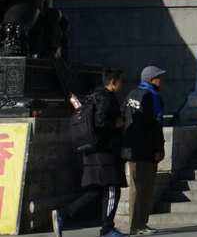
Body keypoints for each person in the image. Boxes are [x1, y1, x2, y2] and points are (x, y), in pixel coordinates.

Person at [53, 67, 126, 237]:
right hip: (104, 153)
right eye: (121, 81)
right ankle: (107, 229)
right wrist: (117, 124)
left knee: (96, 190)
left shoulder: (93, 96)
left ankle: (63, 214)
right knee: (112, 189)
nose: (122, 84)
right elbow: (101, 123)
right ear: (113, 82)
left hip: (93, 152)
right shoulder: (107, 98)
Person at [122, 66, 166, 236]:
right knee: (145, 189)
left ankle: (137, 225)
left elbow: (124, 117)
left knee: (137, 187)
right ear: (150, 79)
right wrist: (159, 148)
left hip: (132, 150)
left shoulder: (131, 94)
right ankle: (139, 225)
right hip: (147, 151)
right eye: (158, 78)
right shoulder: (152, 97)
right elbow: (156, 125)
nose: (161, 81)